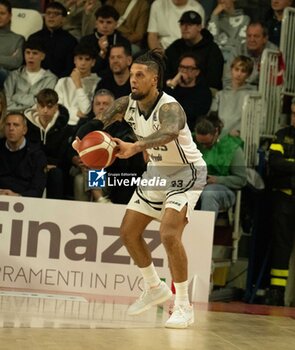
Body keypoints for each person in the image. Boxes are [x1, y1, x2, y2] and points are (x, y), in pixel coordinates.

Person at [98, 50, 207, 328]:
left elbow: (170, 132)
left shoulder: (170, 107)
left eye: (139, 75)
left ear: (154, 79)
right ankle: (153, 287)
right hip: (156, 173)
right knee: (128, 232)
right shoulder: (126, 104)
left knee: (169, 234)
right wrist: (81, 141)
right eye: (132, 75)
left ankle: (183, 305)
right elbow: (98, 124)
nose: (133, 80)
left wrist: (136, 146)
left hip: (186, 172)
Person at [72, 88, 146, 203]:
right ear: (93, 107)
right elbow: (69, 149)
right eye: (98, 104)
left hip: (112, 168)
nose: (101, 107)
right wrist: (75, 159)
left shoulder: (123, 126)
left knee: (93, 160)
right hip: (85, 167)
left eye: (106, 104)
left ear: (114, 108)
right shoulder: (85, 125)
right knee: (89, 162)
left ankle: (99, 197)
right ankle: (99, 199)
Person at [265, 98, 295, 306]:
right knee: (281, 245)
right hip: (284, 197)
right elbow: (275, 163)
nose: (294, 118)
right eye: (293, 113)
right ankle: (276, 291)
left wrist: (289, 166)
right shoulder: (282, 135)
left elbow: (284, 166)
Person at [194, 112, 247, 220]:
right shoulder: (192, 142)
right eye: (201, 143)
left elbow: (241, 180)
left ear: (216, 133)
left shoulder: (233, 148)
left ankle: (204, 234)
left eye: (207, 143)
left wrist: (217, 180)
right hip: (196, 185)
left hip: (223, 189)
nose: (203, 146)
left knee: (209, 193)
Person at [24, 88, 72, 200]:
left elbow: (63, 153)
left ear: (56, 108)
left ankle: (55, 211)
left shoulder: (64, 128)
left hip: (56, 167)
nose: (45, 110)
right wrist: (41, 165)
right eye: (42, 106)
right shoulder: (26, 126)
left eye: (49, 106)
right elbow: (27, 151)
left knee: (57, 174)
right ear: (37, 107)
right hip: (32, 166)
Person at [165, 10, 224, 91]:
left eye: (190, 24)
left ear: (199, 27)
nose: (185, 28)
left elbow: (214, 80)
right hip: (176, 90)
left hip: (203, 92)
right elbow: (165, 72)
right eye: (182, 24)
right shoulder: (175, 47)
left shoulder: (212, 49)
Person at [0, 112, 47, 197]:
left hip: (24, 201)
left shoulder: (36, 155)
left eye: (16, 125)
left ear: (24, 130)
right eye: (8, 125)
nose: (11, 128)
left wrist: (17, 196)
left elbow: (37, 189)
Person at [4, 39, 57, 112]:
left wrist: (16, 97)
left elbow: (44, 104)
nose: (30, 56)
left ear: (42, 56)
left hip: (36, 117)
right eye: (28, 52)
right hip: (12, 116)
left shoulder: (50, 79)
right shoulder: (14, 75)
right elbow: (5, 102)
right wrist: (32, 101)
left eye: (35, 53)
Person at [55, 43, 100, 128]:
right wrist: (75, 113)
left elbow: (85, 111)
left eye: (87, 59)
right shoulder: (63, 82)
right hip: (62, 126)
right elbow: (56, 109)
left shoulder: (98, 82)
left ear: (93, 62)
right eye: (80, 58)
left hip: (84, 127)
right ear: (75, 60)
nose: (83, 63)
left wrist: (78, 84)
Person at [28, 1, 78, 78]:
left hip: (59, 81)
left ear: (63, 19)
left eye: (56, 14)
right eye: (48, 13)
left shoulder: (70, 41)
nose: (51, 16)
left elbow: (70, 68)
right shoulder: (34, 38)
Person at [165, 52, 212, 133]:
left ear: (197, 72)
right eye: (182, 67)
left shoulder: (203, 92)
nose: (184, 71)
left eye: (189, 68)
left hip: (190, 131)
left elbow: (192, 114)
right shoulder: (171, 88)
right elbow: (162, 108)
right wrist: (172, 85)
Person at [211, 55, 256, 136]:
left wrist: (240, 132)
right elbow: (212, 119)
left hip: (240, 138)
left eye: (243, 71)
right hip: (220, 137)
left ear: (248, 75)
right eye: (236, 69)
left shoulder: (253, 96)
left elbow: (255, 121)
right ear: (231, 70)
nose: (239, 74)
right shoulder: (220, 95)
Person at [223, 21, 278, 87]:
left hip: (262, 94)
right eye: (249, 36)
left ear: (265, 39)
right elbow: (227, 80)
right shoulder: (237, 51)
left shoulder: (273, 53)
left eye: (256, 36)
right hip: (238, 92)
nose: (252, 40)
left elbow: (276, 84)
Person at [80, 5, 131, 75]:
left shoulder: (123, 42)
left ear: (116, 24)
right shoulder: (86, 41)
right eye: (101, 22)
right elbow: (87, 68)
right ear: (96, 23)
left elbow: (124, 67)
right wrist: (102, 52)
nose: (104, 26)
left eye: (109, 22)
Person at [0, 0, 25, 88]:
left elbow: (15, 62)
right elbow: (10, 61)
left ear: (10, 16)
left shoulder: (18, 39)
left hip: (6, 79)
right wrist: (6, 59)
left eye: (2, 13)